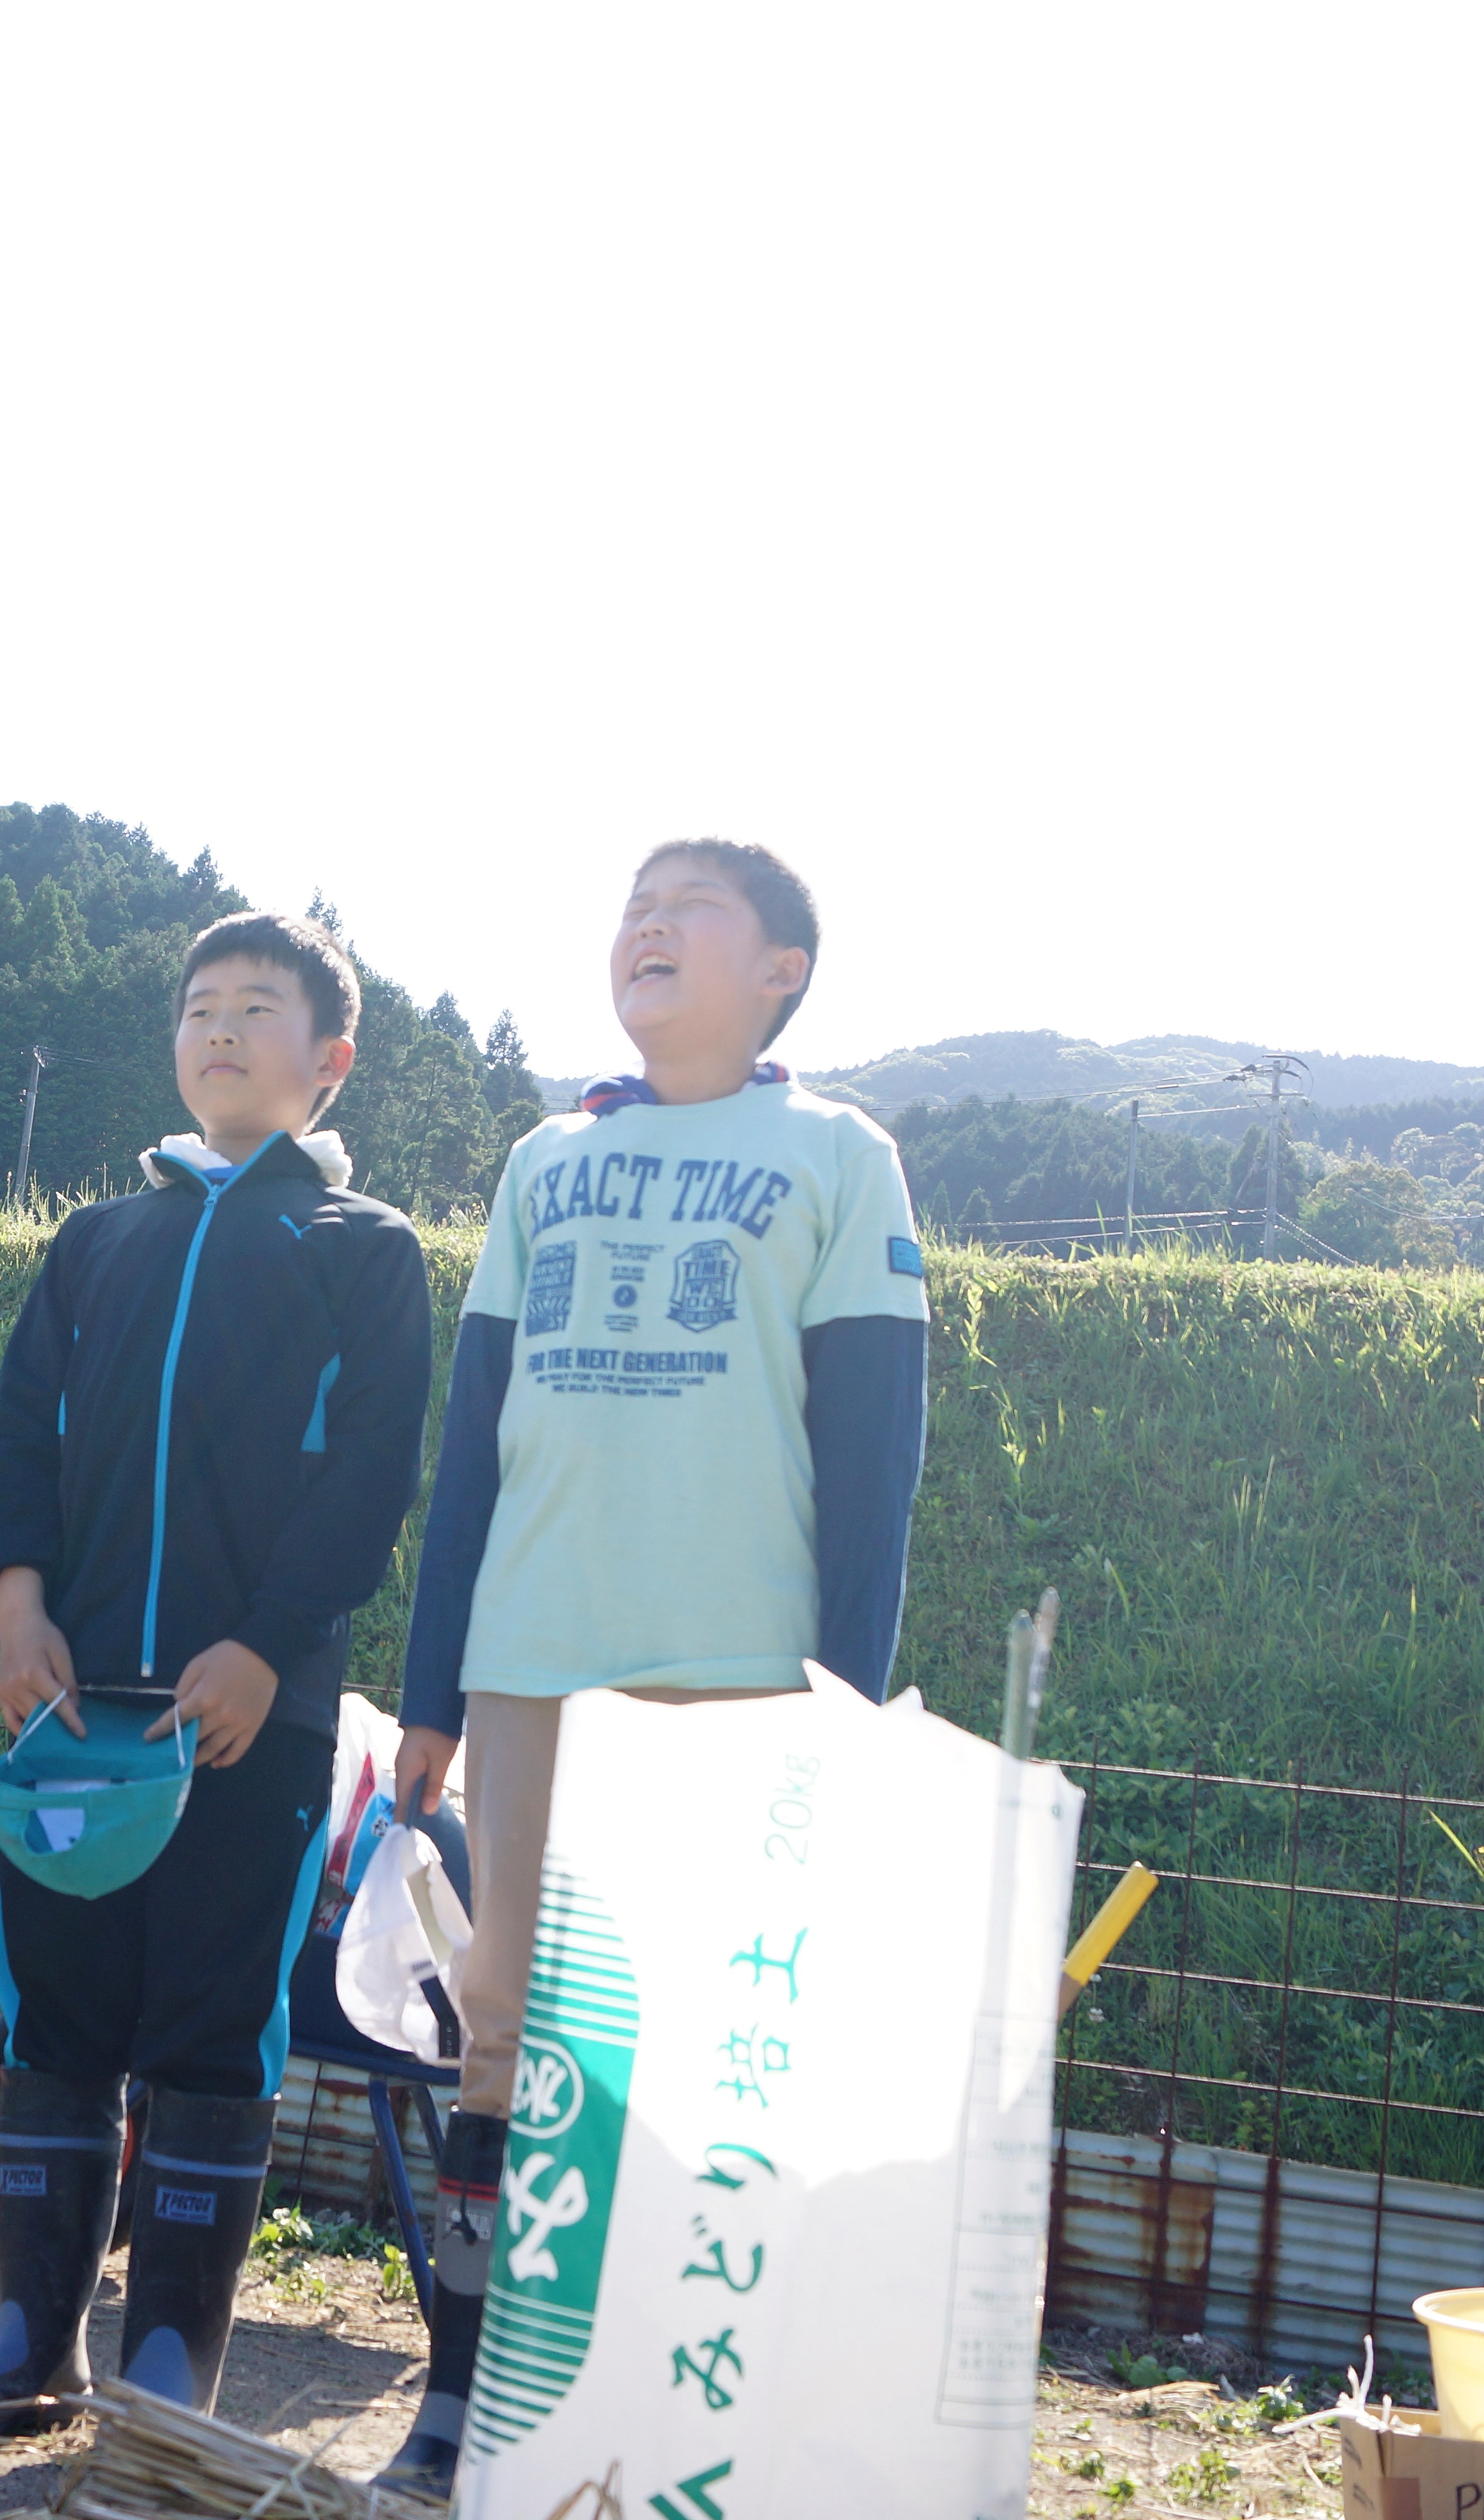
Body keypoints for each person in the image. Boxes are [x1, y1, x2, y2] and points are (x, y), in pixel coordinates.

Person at [369, 839, 929, 2492]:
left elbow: (873, 1465)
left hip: (737, 1680)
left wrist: (843, 1712)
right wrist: (426, 1692)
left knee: (694, 2050)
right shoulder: (545, 1158)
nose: (646, 925)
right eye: (632, 904)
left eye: (690, 905)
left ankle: (658, 2423)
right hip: (530, 1664)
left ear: (781, 970)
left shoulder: (839, 1156)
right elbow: (471, 1439)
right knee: (503, 2029)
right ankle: (465, 2405)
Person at [0, 910, 434, 2433]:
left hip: (250, 1716)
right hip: (76, 1712)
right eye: (200, 1006)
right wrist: (17, 1605)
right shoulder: (99, 1237)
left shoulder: (364, 1246)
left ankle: (167, 2373)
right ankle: (30, 2342)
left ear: (330, 1060)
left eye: (258, 1006)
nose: (220, 1028)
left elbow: (371, 1478)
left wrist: (267, 1646)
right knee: (57, 2018)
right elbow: (20, 1434)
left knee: (212, 2023)